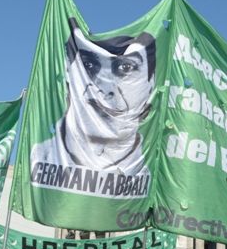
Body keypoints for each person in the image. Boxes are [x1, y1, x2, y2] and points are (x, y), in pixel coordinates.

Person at [30, 18, 155, 192]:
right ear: (68, 75)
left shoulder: (155, 181)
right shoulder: (35, 160)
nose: (104, 87)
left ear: (150, 86)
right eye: (88, 65)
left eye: (126, 67)